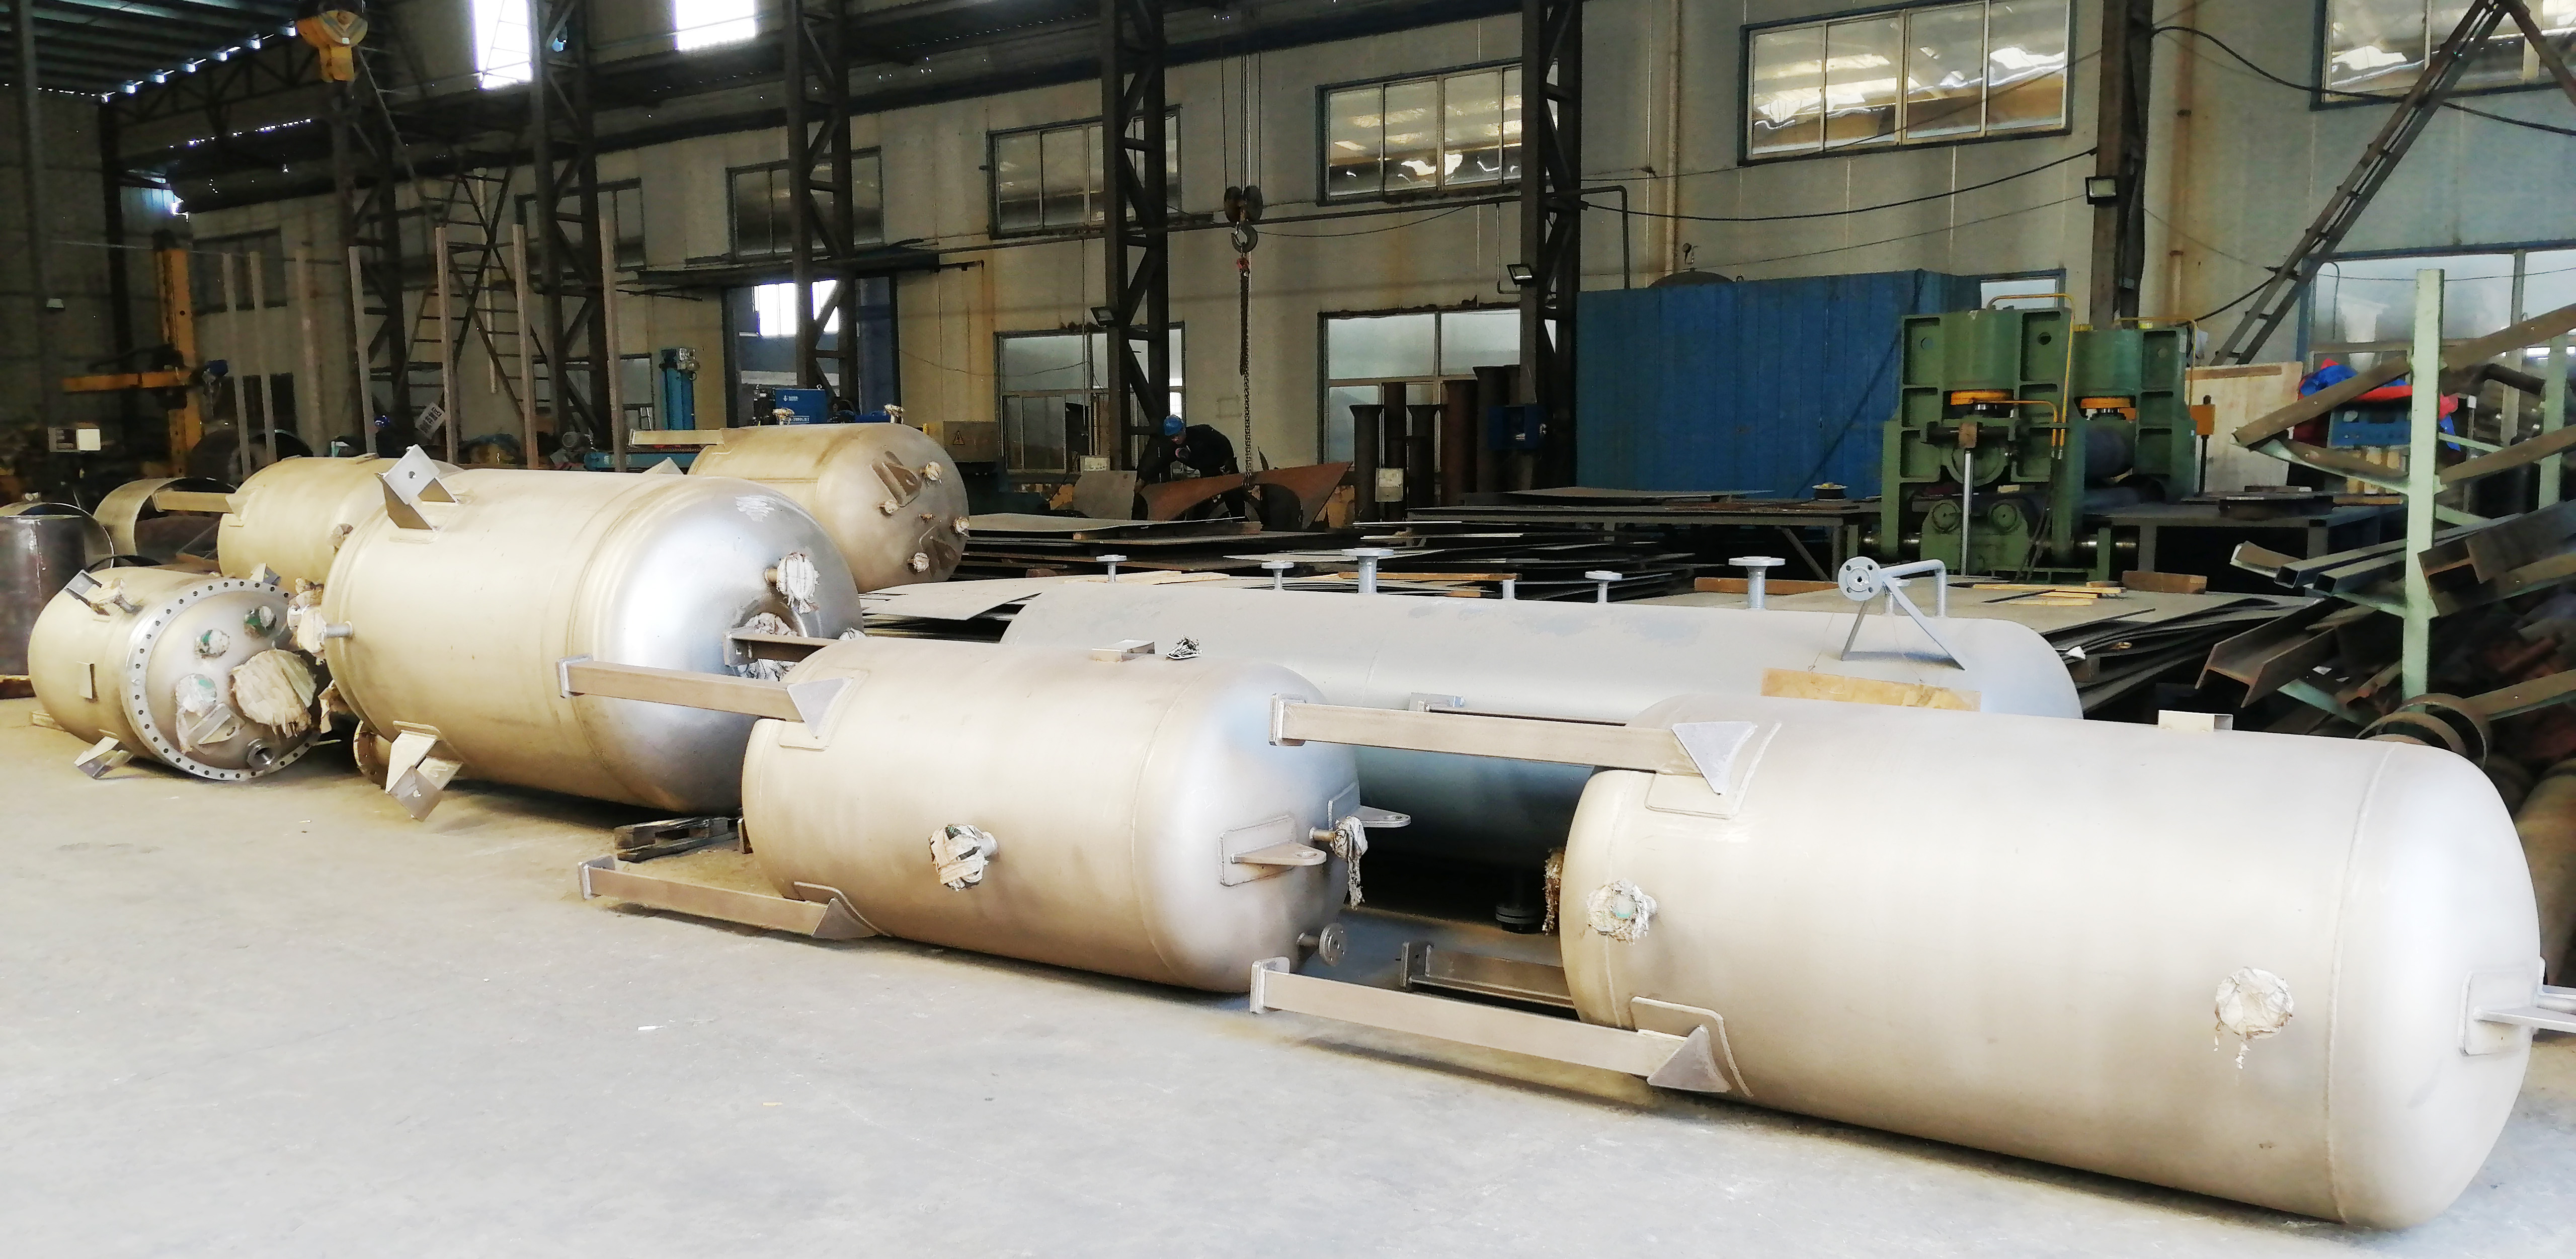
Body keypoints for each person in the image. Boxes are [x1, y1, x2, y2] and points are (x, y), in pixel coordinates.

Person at [1139, 414, 1239, 484]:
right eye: (1172, 437)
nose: (1176, 439)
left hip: (1225, 467)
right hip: (1208, 473)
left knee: (1234, 497)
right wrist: (1143, 479)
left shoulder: (1203, 432)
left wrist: (1228, 462)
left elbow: (1224, 442)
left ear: (1183, 429)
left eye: (1178, 435)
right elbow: (1161, 462)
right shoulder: (1174, 448)